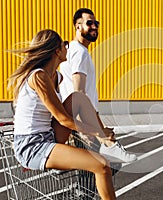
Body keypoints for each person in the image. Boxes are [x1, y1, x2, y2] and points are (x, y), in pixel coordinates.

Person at [8, 29, 116, 200]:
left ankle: (105, 140)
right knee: (102, 165)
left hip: (49, 135)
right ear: (57, 51)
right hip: (33, 145)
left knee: (78, 98)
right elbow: (63, 119)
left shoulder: (56, 77)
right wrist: (96, 132)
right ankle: (103, 137)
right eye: (64, 45)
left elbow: (66, 110)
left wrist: (94, 130)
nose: (68, 47)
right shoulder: (39, 77)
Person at [59, 8, 136, 163]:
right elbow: (78, 91)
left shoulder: (74, 50)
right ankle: (111, 146)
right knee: (101, 167)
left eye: (96, 23)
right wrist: (84, 126)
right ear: (78, 26)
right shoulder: (79, 52)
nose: (94, 26)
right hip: (84, 118)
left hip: (83, 117)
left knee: (91, 170)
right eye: (89, 23)